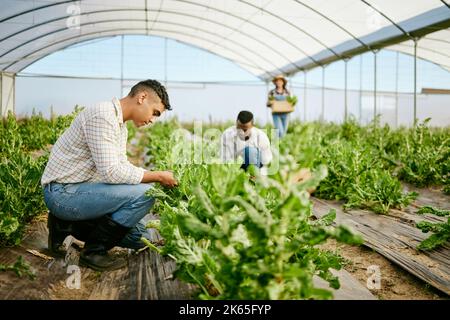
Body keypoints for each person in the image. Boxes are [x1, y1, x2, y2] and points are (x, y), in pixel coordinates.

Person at [41, 79, 178, 271]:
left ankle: (64, 225)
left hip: (80, 190)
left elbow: (121, 167)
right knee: (147, 193)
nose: (152, 120)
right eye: (155, 113)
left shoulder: (119, 124)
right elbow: (112, 173)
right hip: (62, 193)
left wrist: (152, 175)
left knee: (142, 238)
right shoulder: (103, 115)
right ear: (142, 97)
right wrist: (158, 176)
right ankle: (94, 252)